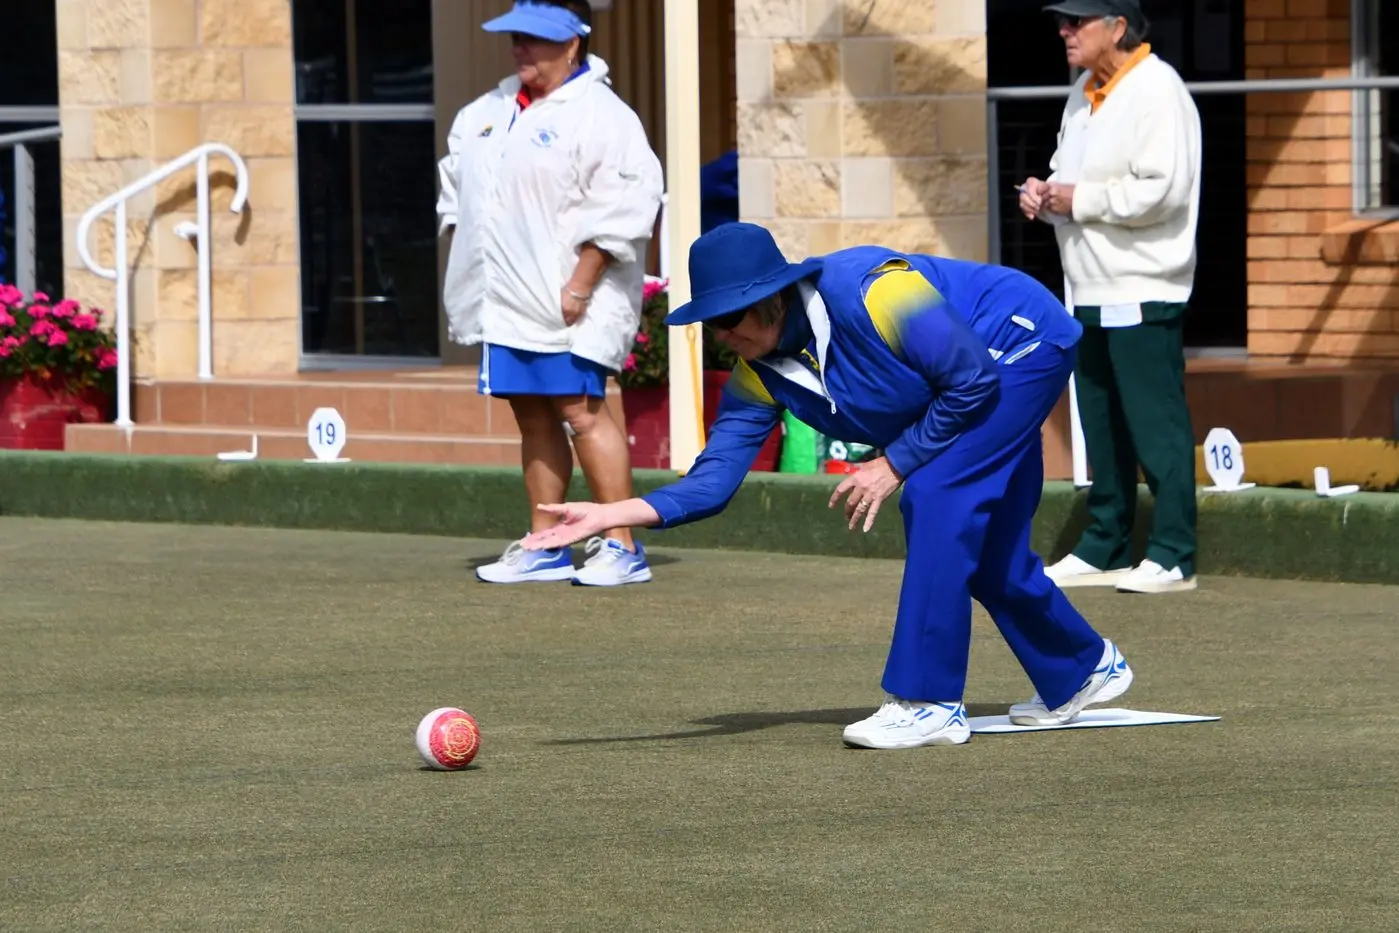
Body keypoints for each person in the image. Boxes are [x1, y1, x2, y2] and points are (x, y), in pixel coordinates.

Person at [520, 222, 1135, 750]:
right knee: (984, 548)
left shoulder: (874, 291)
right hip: (969, 386)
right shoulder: (759, 374)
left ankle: (927, 702)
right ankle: (1082, 669)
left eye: (730, 316)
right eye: (710, 323)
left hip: (1017, 344)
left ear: (774, 298)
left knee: (937, 495)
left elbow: (969, 379)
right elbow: (713, 482)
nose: (723, 333)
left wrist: (894, 464)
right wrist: (614, 515)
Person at [437, 0, 664, 587]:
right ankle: (547, 543)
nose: (521, 49)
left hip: (569, 302)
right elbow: (458, 196)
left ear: (574, 44)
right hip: (504, 302)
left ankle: (621, 545)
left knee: (581, 414)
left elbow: (625, 206)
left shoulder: (603, 116)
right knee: (532, 415)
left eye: (536, 40)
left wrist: (580, 284)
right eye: (516, 37)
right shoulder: (482, 112)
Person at [1019, 0, 1202, 595]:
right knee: (1100, 422)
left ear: (1118, 27)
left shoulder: (1158, 89)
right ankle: (1107, 544)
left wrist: (1077, 199)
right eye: (1062, 21)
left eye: (1078, 21)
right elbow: (1069, 183)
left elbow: (1163, 191)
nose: (1064, 31)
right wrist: (1044, 197)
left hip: (1145, 286)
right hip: (1088, 286)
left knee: (1155, 423)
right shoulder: (1082, 92)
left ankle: (1174, 554)